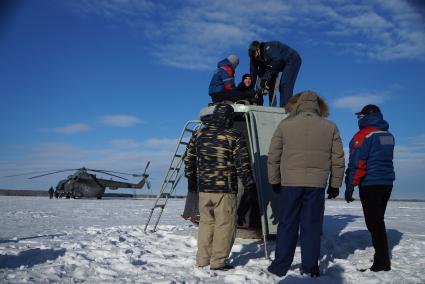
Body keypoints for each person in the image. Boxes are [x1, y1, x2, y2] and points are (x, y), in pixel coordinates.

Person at [267, 91, 345, 277]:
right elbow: (338, 158)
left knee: (287, 224)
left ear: (298, 104)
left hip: (290, 184)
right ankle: (310, 268)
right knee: (311, 225)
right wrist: (335, 184)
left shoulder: (286, 125)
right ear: (318, 105)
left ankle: (280, 266)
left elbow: (273, 156)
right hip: (316, 185)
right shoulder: (330, 126)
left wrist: (274, 180)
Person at [184, 103, 255, 271]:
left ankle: (202, 259)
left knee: (206, 223)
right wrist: (249, 184)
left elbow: (188, 159)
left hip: (204, 188)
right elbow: (242, 164)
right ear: (228, 118)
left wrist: (191, 180)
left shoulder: (199, 134)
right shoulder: (234, 135)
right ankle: (218, 262)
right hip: (225, 190)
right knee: (225, 225)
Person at [344, 104, 395, 272]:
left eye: (361, 116)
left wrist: (350, 185)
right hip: (387, 183)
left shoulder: (363, 135)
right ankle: (382, 258)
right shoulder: (387, 135)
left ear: (367, 116)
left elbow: (357, 162)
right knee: (377, 220)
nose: (359, 119)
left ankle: (382, 263)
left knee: (374, 222)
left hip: (371, 183)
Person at [249, 40, 301, 107]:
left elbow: (277, 61)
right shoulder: (254, 58)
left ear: (258, 50)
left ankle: (286, 107)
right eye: (255, 58)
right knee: (265, 83)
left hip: (292, 60)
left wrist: (266, 78)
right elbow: (253, 73)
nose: (257, 59)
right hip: (276, 65)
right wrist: (250, 88)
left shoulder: (269, 48)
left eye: (257, 56)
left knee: (284, 83)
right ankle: (268, 104)